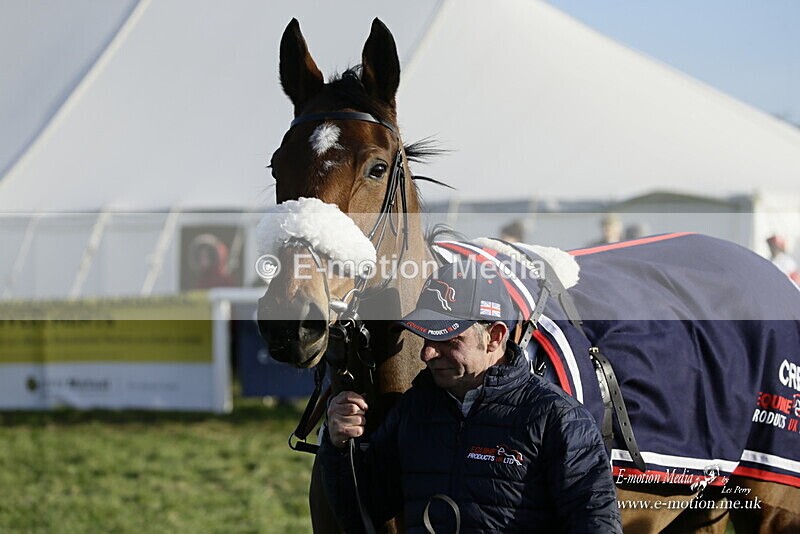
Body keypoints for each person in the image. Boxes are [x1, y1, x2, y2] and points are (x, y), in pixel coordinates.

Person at [320, 261, 621, 533]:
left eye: (447, 339)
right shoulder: (412, 409)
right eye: (426, 337)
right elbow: (360, 516)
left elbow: (597, 523)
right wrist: (337, 444)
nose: (427, 353)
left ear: (495, 337)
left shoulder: (557, 418)